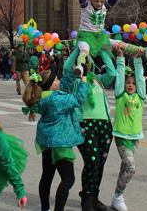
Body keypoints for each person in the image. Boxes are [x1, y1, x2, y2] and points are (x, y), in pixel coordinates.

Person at [22, 64, 88, 211]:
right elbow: (80, 98)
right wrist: (84, 78)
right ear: (51, 85)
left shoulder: (44, 96)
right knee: (68, 179)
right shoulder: (57, 100)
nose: (59, 81)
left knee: (47, 176)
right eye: (57, 79)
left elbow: (62, 85)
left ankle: (45, 208)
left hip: (47, 143)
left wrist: (77, 68)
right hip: (60, 143)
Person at [70, 0, 147, 77]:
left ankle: (145, 51)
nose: (99, 4)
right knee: (84, 49)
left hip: (99, 38)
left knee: (119, 44)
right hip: (86, 36)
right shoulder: (85, 6)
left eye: (101, 1)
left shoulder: (104, 7)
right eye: (96, 1)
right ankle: (79, 66)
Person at [63, 48, 116, 211]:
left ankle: (94, 197)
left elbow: (112, 73)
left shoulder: (100, 79)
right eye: (83, 63)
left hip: (105, 125)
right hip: (84, 125)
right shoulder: (76, 80)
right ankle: (86, 197)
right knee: (93, 161)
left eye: (88, 63)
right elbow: (66, 68)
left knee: (100, 164)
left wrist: (103, 50)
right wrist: (79, 49)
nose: (86, 65)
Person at [110, 46, 145, 211]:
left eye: (133, 83)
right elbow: (119, 75)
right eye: (128, 83)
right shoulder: (120, 95)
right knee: (131, 167)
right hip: (122, 136)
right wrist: (121, 57)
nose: (131, 85)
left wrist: (137, 59)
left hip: (135, 137)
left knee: (125, 168)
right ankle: (118, 196)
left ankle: (117, 196)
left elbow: (140, 77)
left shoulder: (140, 96)